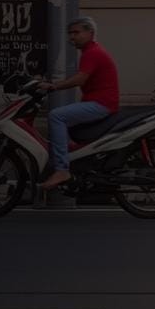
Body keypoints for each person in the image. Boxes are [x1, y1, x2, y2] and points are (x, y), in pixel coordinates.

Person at [36, 16, 120, 190]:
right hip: (98, 102)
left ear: (90, 33)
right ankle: (73, 157)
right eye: (70, 34)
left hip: (102, 104)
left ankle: (61, 170)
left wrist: (54, 86)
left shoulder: (93, 53)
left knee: (57, 116)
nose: (72, 37)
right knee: (66, 120)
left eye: (76, 32)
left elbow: (80, 79)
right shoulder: (91, 52)